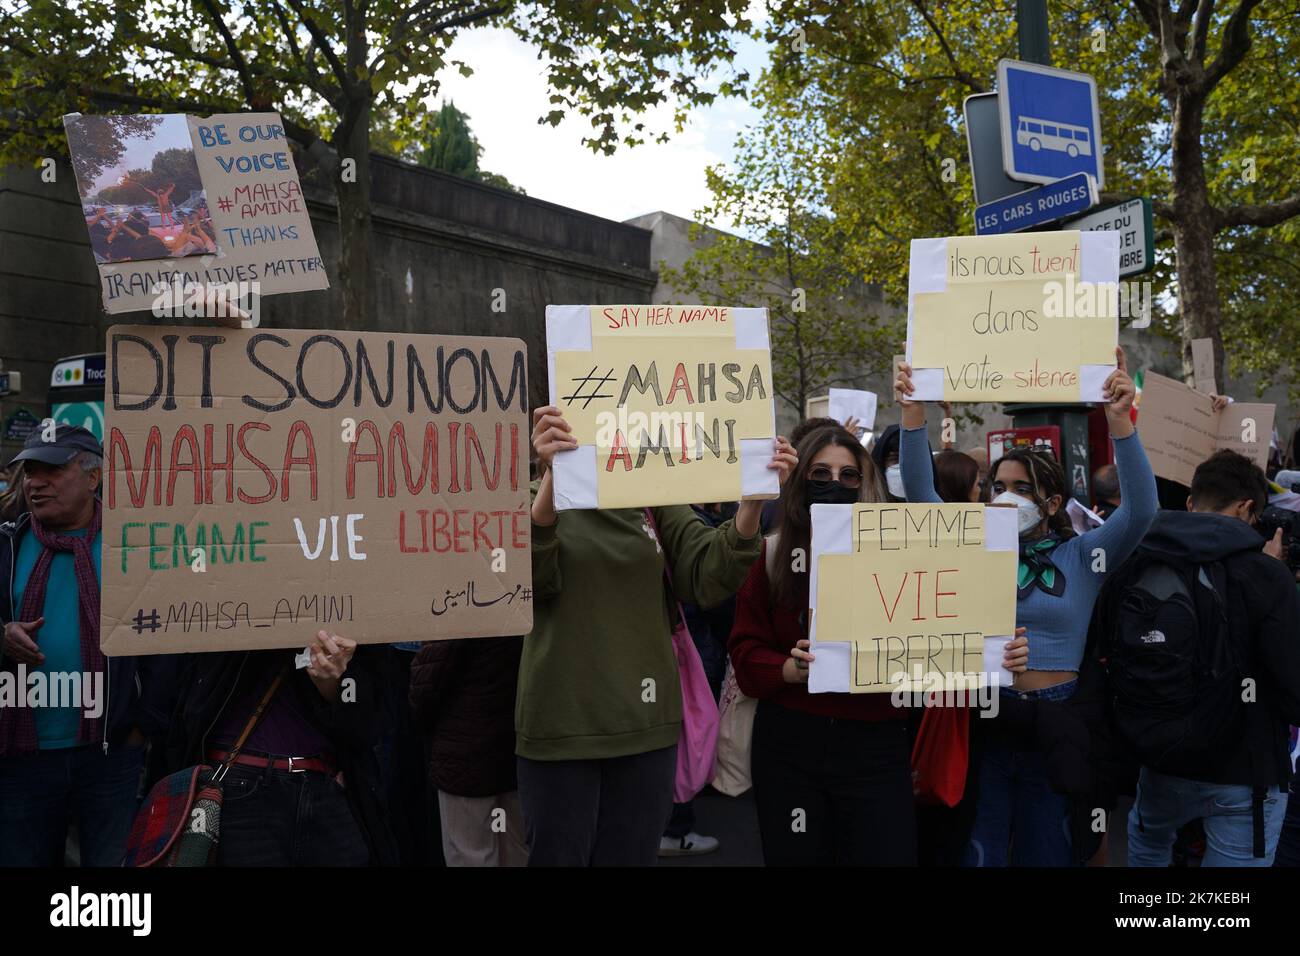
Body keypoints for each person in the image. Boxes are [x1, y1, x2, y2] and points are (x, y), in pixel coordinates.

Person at [896, 348, 1157, 866]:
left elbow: (1143, 509)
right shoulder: (971, 545)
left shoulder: (1085, 554)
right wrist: (911, 412)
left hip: (1059, 729)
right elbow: (921, 491)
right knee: (979, 853)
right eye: (997, 487)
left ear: (1053, 503)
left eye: (1021, 489)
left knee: (1048, 851)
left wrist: (1119, 420)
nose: (1004, 497)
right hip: (988, 725)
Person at [728, 425, 1030, 865]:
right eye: (821, 473)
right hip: (790, 749)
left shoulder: (904, 555)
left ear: (865, 484)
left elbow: (945, 640)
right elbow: (744, 657)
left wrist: (998, 655)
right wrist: (789, 670)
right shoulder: (771, 556)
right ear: (799, 483)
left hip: (878, 746)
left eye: (849, 476)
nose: (836, 484)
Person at [519, 405, 796, 866]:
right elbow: (526, 581)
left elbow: (707, 574)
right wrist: (553, 481)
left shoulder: (652, 497)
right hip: (561, 727)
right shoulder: (530, 498)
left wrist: (751, 503)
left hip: (647, 730)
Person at [1107, 450, 1300, 867]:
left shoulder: (1137, 559)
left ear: (1192, 502)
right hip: (1244, 772)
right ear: (1247, 507)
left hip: (1159, 757)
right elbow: (1293, 690)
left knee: (1149, 852)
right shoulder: (1266, 574)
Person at [0, 426, 174, 866]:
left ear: (94, 477)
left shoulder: (132, 544)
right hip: (21, 758)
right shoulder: (7, 544)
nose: (35, 482)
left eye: (52, 470)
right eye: (30, 470)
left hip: (111, 756)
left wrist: (141, 727)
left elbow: (168, 641)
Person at [162, 636, 398, 866]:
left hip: (326, 785)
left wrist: (335, 684)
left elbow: (368, 721)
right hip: (239, 782)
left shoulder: (363, 627)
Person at [410, 634, 528, 866]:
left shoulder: (461, 607)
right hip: (516, 747)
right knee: (517, 850)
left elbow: (426, 685)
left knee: (470, 854)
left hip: (464, 752)